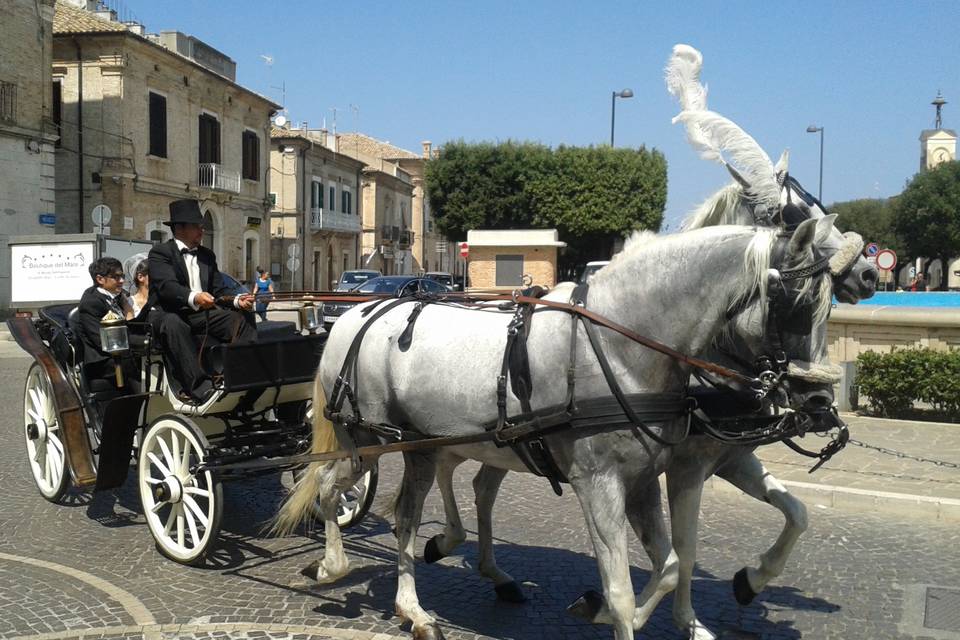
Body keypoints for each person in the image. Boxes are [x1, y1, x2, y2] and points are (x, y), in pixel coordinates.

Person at [148, 199, 256, 402]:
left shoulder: (207, 255)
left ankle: (240, 374)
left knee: (241, 319)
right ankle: (198, 387)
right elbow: (167, 287)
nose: (202, 230)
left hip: (199, 314)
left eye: (202, 226)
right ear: (180, 228)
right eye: (196, 226)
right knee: (174, 324)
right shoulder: (160, 253)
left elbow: (219, 288)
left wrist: (238, 301)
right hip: (168, 313)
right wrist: (195, 296)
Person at [77, 256, 139, 391]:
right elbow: (104, 341)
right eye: (116, 277)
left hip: (120, 352)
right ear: (100, 279)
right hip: (103, 360)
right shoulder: (91, 302)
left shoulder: (118, 296)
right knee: (141, 359)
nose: (122, 281)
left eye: (122, 276)